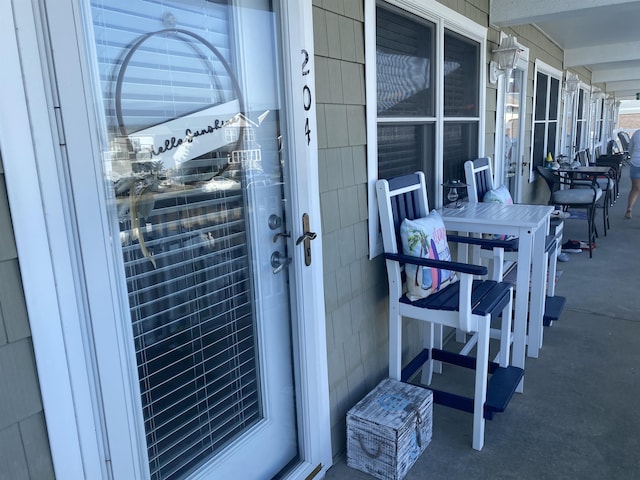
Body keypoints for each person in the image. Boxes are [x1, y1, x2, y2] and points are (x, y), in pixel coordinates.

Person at [625, 129, 640, 219]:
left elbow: (630, 149)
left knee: (635, 188)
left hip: (635, 162)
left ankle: (629, 209)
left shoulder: (637, 133)